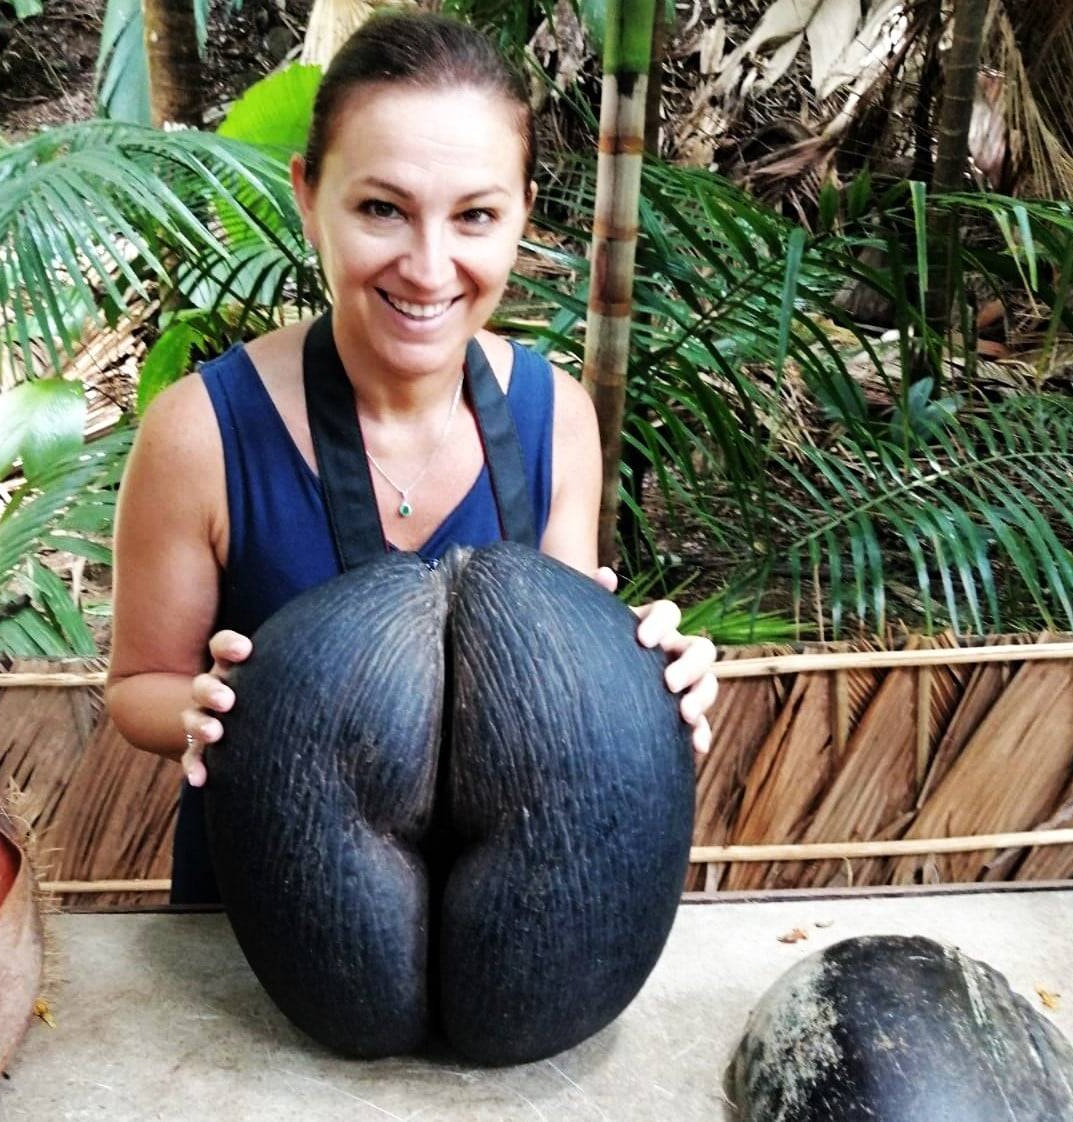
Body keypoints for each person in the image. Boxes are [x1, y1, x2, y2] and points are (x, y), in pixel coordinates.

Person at [105, 11, 718, 905]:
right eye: (382, 209)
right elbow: (136, 688)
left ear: (521, 218)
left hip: (500, 925)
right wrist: (202, 709)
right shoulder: (200, 432)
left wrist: (650, 676)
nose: (429, 268)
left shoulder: (557, 420)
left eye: (475, 216)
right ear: (310, 196)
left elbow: (554, 694)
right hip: (261, 928)